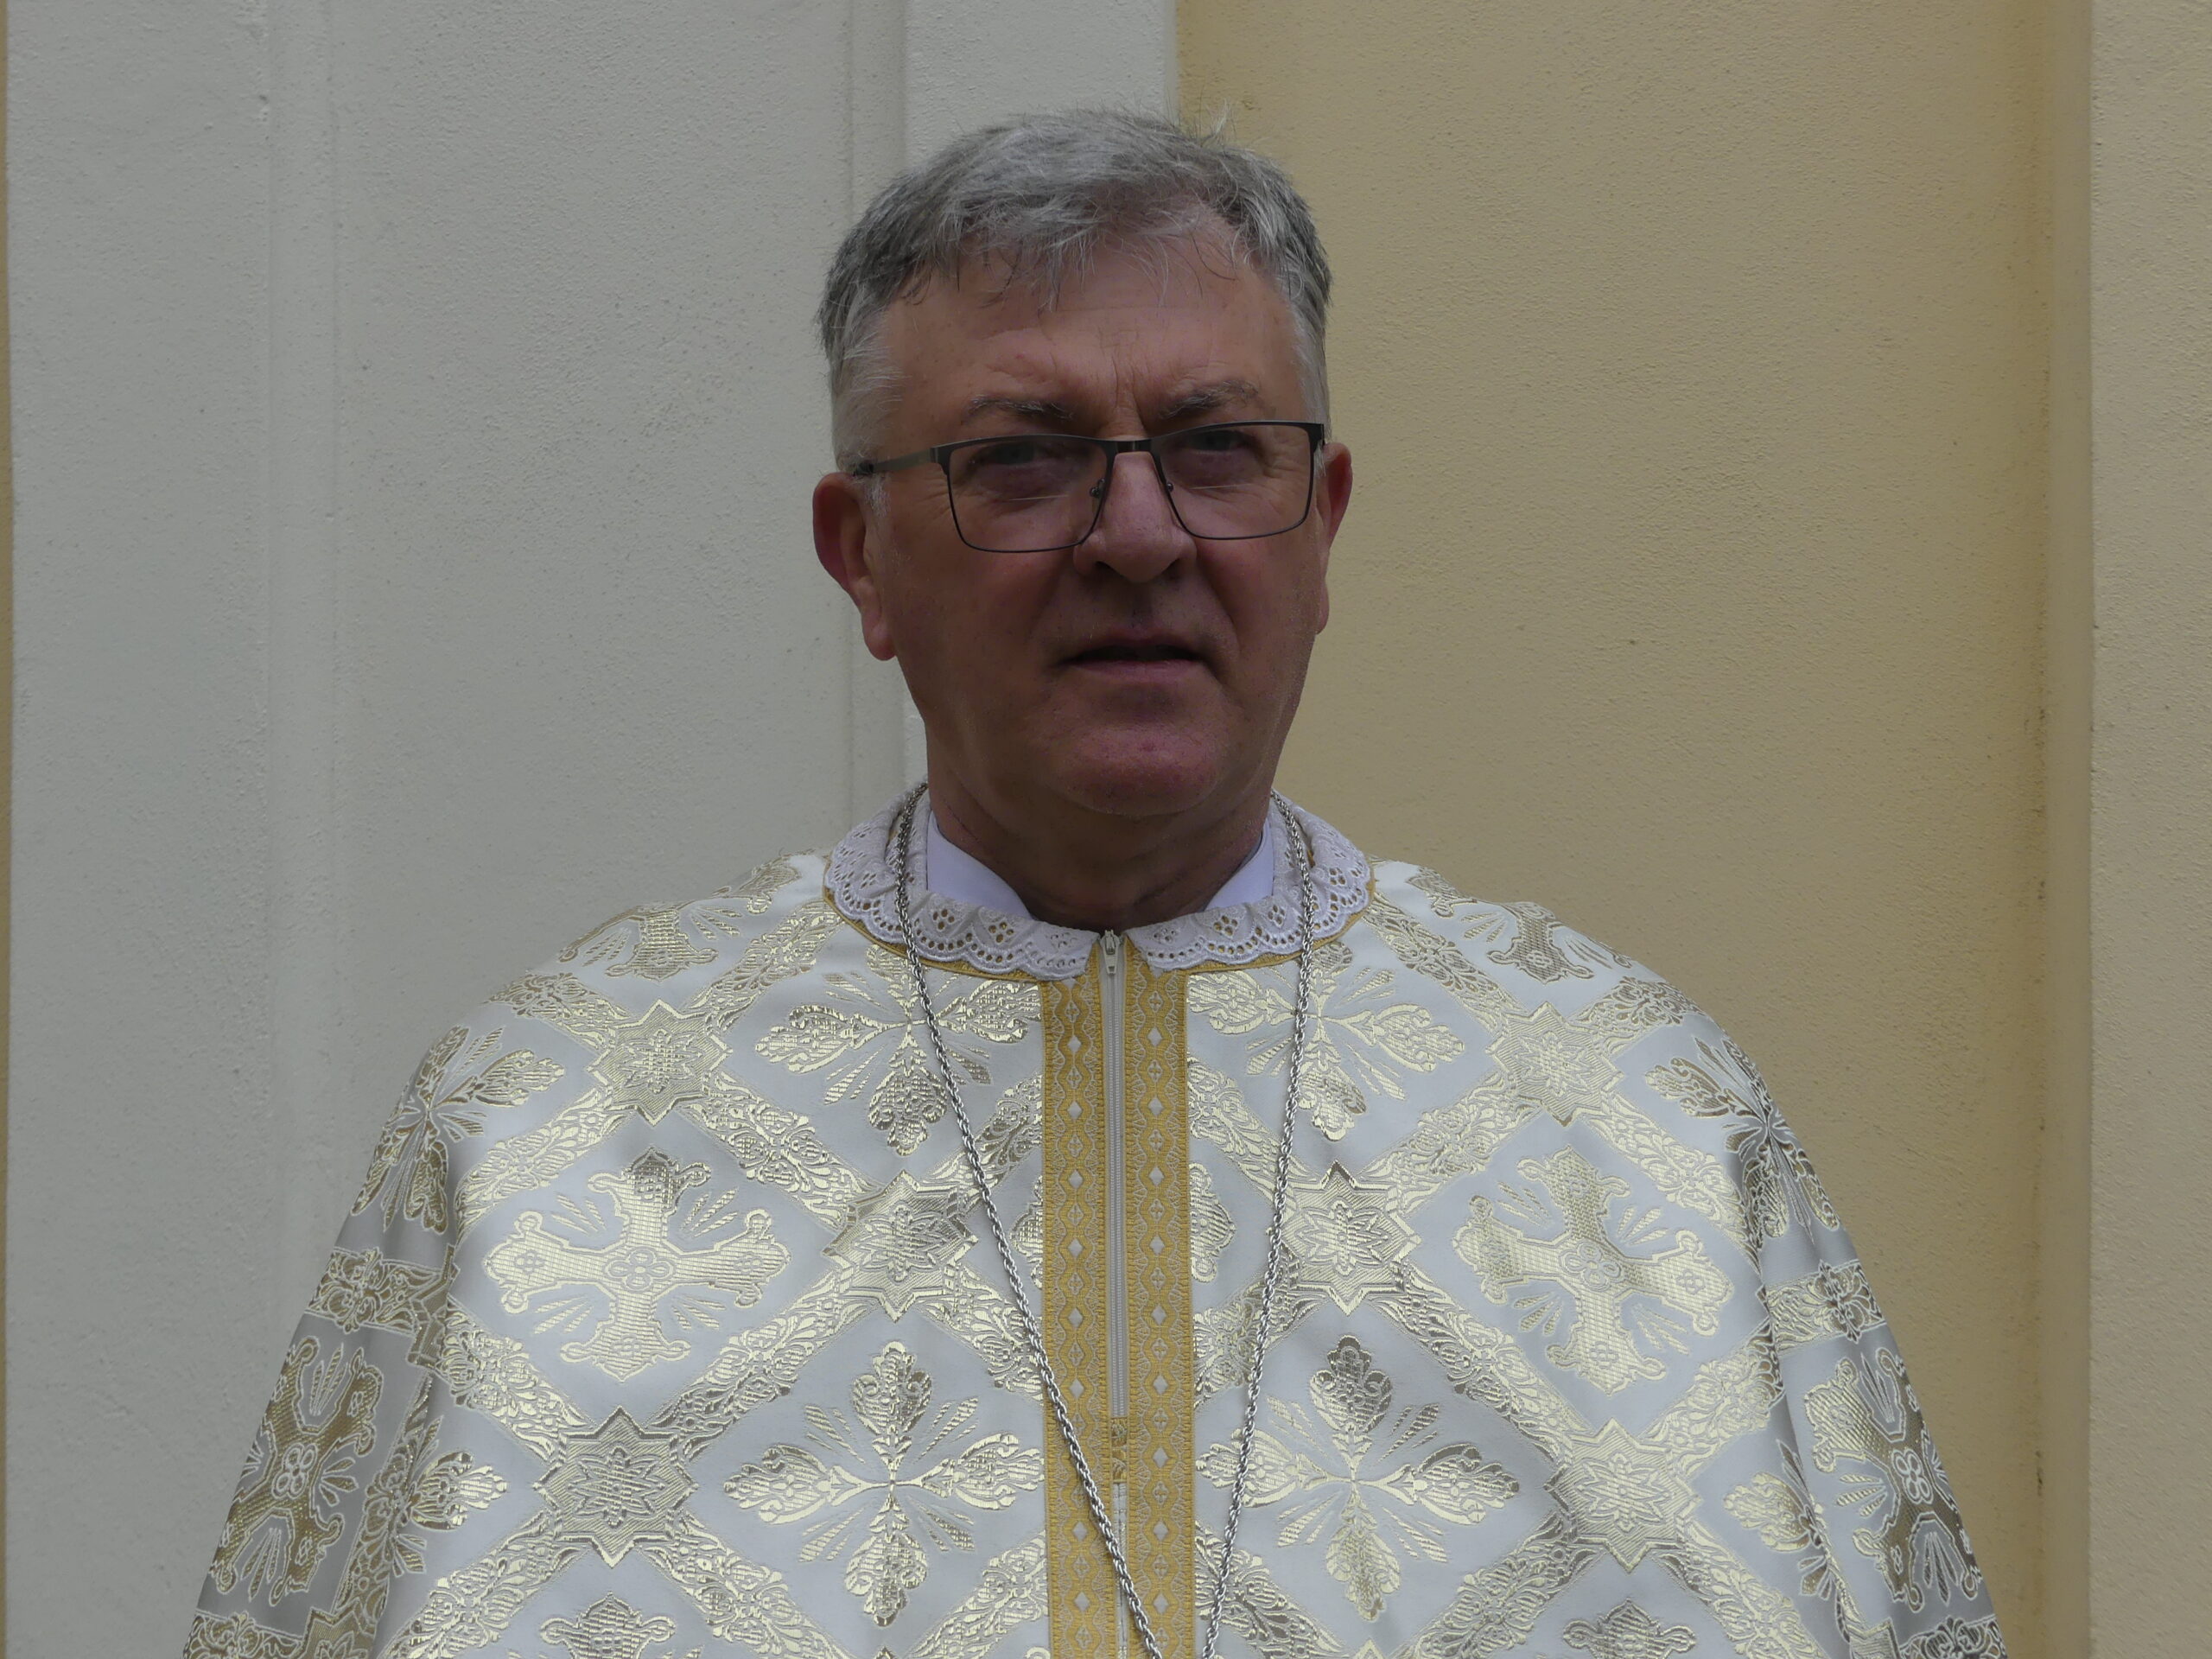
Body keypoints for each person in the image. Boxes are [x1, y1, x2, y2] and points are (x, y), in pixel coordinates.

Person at [185, 111, 2007, 1659]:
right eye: (1022, 463)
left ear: (1321, 528)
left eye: (1217, 450)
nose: (1138, 536)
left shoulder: (1636, 1127)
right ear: (859, 556)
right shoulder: (548, 1131)